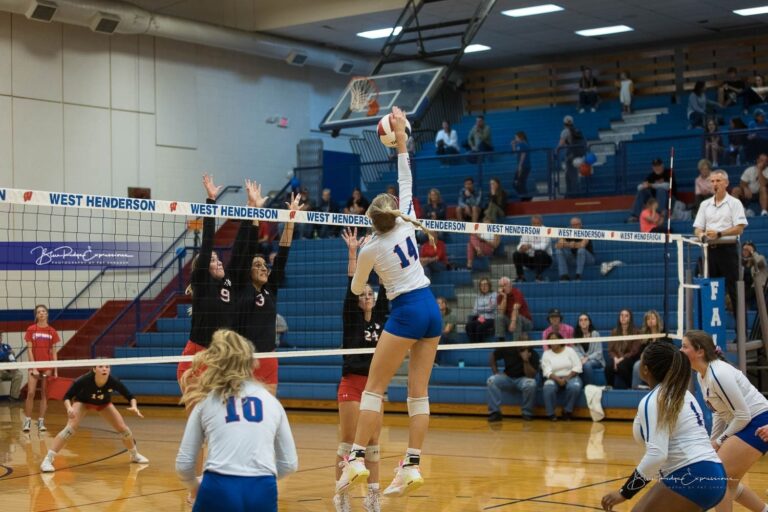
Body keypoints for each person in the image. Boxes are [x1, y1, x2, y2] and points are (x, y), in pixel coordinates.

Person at [337, 106, 442, 498]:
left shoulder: (371, 247)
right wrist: (400, 137)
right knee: (419, 394)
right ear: (393, 209)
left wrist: (364, 255)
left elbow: (355, 290)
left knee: (373, 390)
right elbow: (405, 171)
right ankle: (412, 463)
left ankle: (356, 459)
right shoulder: (406, 218)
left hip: (406, 311)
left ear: (369, 219)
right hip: (431, 307)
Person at [176, 329, 298, 512]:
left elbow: (184, 464)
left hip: (218, 486)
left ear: (215, 363)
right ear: (251, 362)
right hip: (262, 490)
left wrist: (196, 486)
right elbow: (289, 464)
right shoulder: (272, 403)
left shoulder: (206, 402)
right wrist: (260, 478)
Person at [600, 341, 727, 512]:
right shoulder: (682, 394)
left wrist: (625, 492)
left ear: (645, 369)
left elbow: (657, 454)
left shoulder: (655, 400)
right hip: (714, 474)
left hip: (691, 476)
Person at [177, 175, 261, 389]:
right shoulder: (203, 284)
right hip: (197, 357)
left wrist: (251, 209)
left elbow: (245, 249)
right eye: (213, 261)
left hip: (220, 358)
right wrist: (211, 202)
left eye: (218, 258)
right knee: (198, 414)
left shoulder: (229, 283)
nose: (219, 261)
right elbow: (206, 245)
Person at [681, 330, 768, 512]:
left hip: (757, 422)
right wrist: (712, 442)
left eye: (685, 346)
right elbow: (719, 413)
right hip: (745, 423)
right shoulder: (702, 374)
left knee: (717, 479)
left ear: (699, 351)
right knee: (729, 484)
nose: (680, 350)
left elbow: (743, 415)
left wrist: (720, 441)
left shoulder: (718, 374)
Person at [334, 227, 388, 512]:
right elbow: (351, 283)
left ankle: (373, 497)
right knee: (348, 442)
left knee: (374, 442)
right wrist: (353, 252)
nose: (367, 296)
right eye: (363, 294)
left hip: (375, 386)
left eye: (371, 293)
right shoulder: (351, 316)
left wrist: (378, 247)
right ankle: (342, 495)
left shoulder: (381, 316)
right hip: (352, 384)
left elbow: (383, 281)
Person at [236, 192, 301, 395]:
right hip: (244, 359)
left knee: (268, 409)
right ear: (248, 270)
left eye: (265, 265)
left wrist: (291, 220)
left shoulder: (270, 289)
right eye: (257, 265)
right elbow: (245, 249)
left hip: (268, 358)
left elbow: (283, 253)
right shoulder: (241, 289)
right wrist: (254, 210)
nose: (264, 268)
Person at [40, 364, 149, 472]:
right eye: (101, 366)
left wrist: (134, 406)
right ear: (94, 369)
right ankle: (47, 460)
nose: (104, 369)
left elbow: (130, 396)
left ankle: (134, 455)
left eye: (107, 367)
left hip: (103, 404)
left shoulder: (113, 381)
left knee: (125, 430)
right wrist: (69, 408)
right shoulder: (83, 380)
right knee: (69, 429)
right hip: (83, 402)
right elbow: (67, 397)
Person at [694, 168, 748, 313]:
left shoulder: (734, 203)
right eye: (712, 181)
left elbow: (739, 228)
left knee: (734, 291)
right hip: (709, 250)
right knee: (708, 290)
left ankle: (741, 334)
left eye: (718, 180)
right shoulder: (704, 204)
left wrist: (719, 234)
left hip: (728, 250)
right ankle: (708, 332)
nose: (714, 184)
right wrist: (702, 235)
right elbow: (697, 228)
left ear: (726, 183)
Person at [23, 304, 60, 433]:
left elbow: (54, 352)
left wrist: (55, 369)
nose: (42, 313)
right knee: (31, 393)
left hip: (48, 366)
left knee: (45, 394)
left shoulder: (52, 331)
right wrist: (33, 367)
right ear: (36, 315)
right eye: (39, 312)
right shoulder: (31, 329)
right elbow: (29, 350)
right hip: (34, 365)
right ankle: (27, 420)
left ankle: (41, 421)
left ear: (47, 314)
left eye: (44, 311)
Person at [487, 342, 539, 422]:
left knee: (531, 384)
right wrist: (496, 372)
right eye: (521, 341)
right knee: (491, 380)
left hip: (523, 379)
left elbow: (531, 376)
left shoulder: (533, 354)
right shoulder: (509, 349)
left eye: (525, 342)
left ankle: (527, 413)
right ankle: (495, 412)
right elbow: (493, 355)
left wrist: (525, 360)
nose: (523, 344)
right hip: (507, 378)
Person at [541, 333, 583, 421]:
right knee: (548, 387)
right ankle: (551, 414)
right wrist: (558, 380)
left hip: (570, 376)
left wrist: (566, 378)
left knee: (574, 387)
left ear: (561, 340)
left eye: (555, 339)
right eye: (550, 340)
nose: (553, 342)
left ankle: (567, 411)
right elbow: (547, 371)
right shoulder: (546, 354)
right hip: (554, 377)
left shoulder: (570, 350)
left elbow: (578, 366)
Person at [628, 158, 675, 222]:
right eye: (655, 166)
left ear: (662, 165)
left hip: (669, 200)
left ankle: (658, 214)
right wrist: (644, 185)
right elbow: (639, 187)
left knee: (661, 190)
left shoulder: (669, 173)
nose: (657, 168)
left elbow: (667, 186)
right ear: (652, 167)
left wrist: (651, 185)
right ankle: (635, 216)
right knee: (642, 191)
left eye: (658, 166)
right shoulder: (651, 176)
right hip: (655, 202)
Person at [605, 308, 641, 389]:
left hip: (630, 358)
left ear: (630, 318)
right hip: (617, 358)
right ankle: (610, 386)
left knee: (622, 365)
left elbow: (634, 351)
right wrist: (615, 358)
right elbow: (611, 349)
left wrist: (622, 358)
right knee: (608, 367)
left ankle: (629, 386)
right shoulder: (614, 332)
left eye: (626, 316)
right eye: (621, 315)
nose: (623, 317)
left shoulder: (636, 332)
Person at [512, 214, 552, 282]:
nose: (535, 225)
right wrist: (521, 248)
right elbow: (520, 244)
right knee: (516, 254)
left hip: (545, 260)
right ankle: (521, 277)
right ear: (531, 223)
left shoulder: (546, 230)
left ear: (541, 223)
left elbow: (543, 247)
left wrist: (530, 246)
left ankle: (538, 277)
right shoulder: (527, 230)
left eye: (537, 223)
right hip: (531, 260)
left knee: (538, 252)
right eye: (534, 223)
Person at [631, 310, 664, 389]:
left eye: (652, 318)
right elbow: (641, 352)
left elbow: (669, 350)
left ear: (657, 320)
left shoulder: (664, 334)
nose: (650, 321)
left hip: (661, 359)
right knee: (637, 365)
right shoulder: (645, 336)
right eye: (648, 319)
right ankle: (636, 387)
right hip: (647, 359)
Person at [554, 216, 595, 281]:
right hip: (574, 259)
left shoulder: (586, 232)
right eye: (573, 225)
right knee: (558, 250)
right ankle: (564, 276)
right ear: (570, 226)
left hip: (588, 259)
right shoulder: (567, 231)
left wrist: (569, 244)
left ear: (581, 224)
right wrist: (570, 244)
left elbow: (582, 245)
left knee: (581, 250)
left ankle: (578, 275)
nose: (575, 227)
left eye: (577, 225)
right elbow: (558, 245)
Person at [495, 277, 532, 342]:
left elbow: (515, 309)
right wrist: (504, 297)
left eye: (505, 285)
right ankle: (501, 341)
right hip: (510, 321)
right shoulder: (500, 296)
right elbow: (501, 312)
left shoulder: (517, 293)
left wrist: (513, 321)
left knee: (516, 316)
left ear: (510, 284)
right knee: (499, 317)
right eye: (501, 286)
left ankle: (516, 343)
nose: (503, 287)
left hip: (526, 323)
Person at [572, 313, 605, 386]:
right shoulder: (575, 336)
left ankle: (589, 387)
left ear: (589, 322)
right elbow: (576, 351)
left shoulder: (595, 334)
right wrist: (581, 358)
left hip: (596, 360)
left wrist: (586, 358)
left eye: (585, 319)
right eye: (581, 320)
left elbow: (598, 352)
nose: (583, 322)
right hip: (581, 361)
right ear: (579, 323)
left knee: (587, 364)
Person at [557, 116, 586, 196]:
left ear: (564, 123)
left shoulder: (565, 131)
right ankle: (569, 193)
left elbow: (561, 144)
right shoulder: (577, 130)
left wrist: (556, 151)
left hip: (571, 155)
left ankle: (574, 194)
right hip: (579, 154)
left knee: (572, 175)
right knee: (569, 174)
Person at [465, 278, 497, 343]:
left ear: (489, 285)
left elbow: (490, 309)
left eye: (485, 284)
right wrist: (486, 307)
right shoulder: (478, 297)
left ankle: (480, 346)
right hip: (481, 318)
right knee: (469, 326)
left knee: (479, 328)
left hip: (491, 319)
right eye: (482, 285)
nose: (484, 287)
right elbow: (474, 311)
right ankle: (473, 345)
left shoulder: (494, 295)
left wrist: (480, 308)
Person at [0, 333, 22, 401]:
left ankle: (14, 397)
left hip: (8, 369)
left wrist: (13, 365)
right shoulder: (7, 350)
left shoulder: (6, 346)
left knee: (19, 374)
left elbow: (12, 358)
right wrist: (7, 354)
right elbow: (3, 356)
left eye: (0, 336)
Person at [511, 131, 531, 196]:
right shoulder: (521, 144)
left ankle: (526, 197)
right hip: (524, 166)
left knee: (520, 183)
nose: (515, 139)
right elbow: (515, 153)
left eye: (516, 137)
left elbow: (523, 154)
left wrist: (520, 166)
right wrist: (513, 145)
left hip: (524, 166)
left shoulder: (522, 144)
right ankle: (524, 196)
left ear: (520, 137)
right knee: (518, 183)